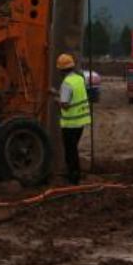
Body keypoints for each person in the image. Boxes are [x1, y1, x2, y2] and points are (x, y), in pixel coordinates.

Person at [56, 52, 91, 184]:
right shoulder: (79, 79)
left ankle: (73, 177)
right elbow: (74, 96)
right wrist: (57, 94)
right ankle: (75, 174)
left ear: (61, 70)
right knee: (73, 149)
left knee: (70, 151)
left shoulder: (66, 84)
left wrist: (56, 100)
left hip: (70, 124)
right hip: (81, 122)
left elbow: (65, 105)